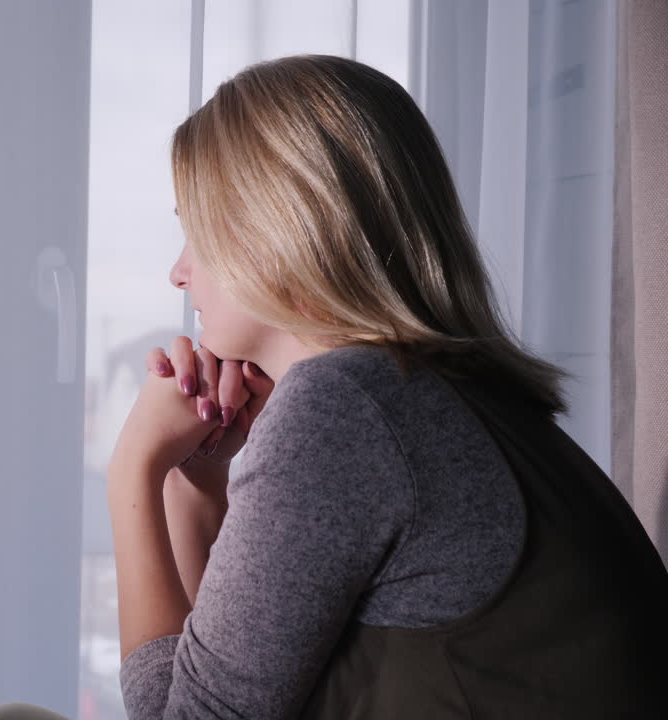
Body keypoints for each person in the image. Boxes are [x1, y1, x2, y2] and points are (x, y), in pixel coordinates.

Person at [99, 53, 668, 719]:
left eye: (197, 232)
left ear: (277, 229)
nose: (178, 271)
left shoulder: (346, 407)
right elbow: (228, 688)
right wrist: (195, 482)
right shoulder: (438, 396)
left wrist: (132, 469)